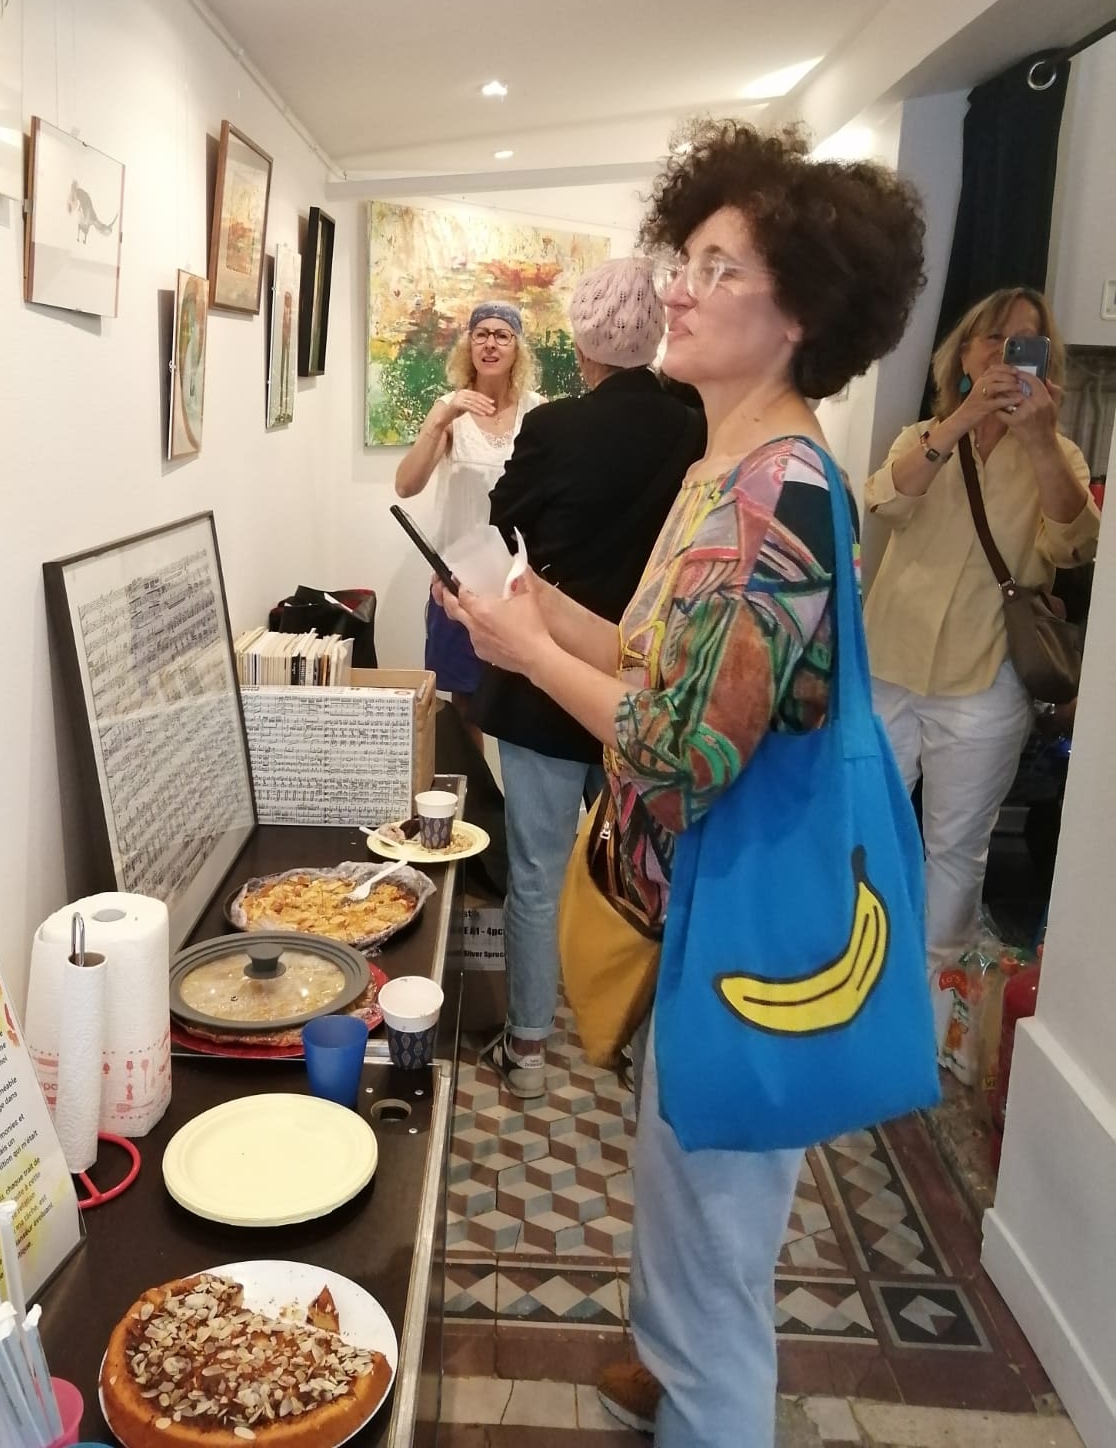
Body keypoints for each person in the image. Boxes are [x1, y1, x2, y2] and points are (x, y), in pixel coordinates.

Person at [438, 119, 926, 1446]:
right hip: (686, 911)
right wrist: (545, 615)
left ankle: (703, 1398)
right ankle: (665, 1356)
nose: (682, 289)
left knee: (717, 1233)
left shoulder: (784, 491)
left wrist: (532, 656)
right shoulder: (725, 464)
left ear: (800, 312)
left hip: (744, 921)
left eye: (720, 269)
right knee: (677, 1177)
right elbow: (663, 662)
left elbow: (678, 747)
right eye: (686, 261)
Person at [471, 258, 706, 1097]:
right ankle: (635, 1047)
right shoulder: (695, 427)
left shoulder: (556, 426)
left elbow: (501, 519)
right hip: (642, 682)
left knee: (536, 871)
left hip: (548, 676)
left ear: (580, 342)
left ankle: (530, 1049)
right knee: (642, 871)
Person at [864, 288, 1099, 999]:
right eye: (992, 338)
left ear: (1045, 360)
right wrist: (964, 419)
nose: (1004, 354)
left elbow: (1076, 543)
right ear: (962, 354)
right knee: (864, 821)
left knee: (957, 849)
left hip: (988, 678)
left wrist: (1040, 441)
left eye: (1024, 342)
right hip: (889, 664)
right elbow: (885, 500)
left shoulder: (1060, 452)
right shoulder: (922, 436)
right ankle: (854, 975)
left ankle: (933, 1006)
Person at [393, 302, 543, 742]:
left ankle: (512, 787)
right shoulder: (449, 409)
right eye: (481, 334)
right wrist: (441, 419)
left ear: (517, 347)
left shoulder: (537, 412)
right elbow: (405, 485)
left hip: (519, 582)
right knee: (465, 706)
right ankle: (475, 786)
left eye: (502, 335)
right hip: (459, 583)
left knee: (526, 699)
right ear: (469, 345)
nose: (490, 344)